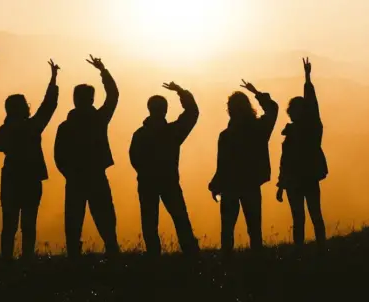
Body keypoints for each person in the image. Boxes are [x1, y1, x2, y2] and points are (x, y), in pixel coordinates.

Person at [0, 59, 60, 261]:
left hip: (11, 179)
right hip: (31, 180)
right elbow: (48, 106)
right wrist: (54, 79)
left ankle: (6, 261)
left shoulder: (3, 132)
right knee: (28, 224)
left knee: (9, 224)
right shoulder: (32, 127)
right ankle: (27, 260)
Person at [54, 55, 120, 257]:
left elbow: (59, 156)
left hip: (75, 178)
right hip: (95, 176)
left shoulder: (66, 126)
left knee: (73, 219)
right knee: (105, 217)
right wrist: (103, 70)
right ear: (91, 99)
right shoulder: (98, 119)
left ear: (75, 99)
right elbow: (113, 95)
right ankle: (112, 251)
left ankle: (74, 256)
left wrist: (69, 173)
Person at [129, 82, 201, 256]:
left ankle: (154, 256)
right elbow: (192, 113)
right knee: (180, 218)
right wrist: (181, 92)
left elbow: (134, 158)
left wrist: (145, 172)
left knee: (149, 221)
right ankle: (191, 253)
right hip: (169, 181)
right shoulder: (173, 132)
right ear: (165, 110)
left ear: (149, 109)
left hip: (147, 182)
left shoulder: (140, 134)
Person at [209, 79, 279, 255]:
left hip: (230, 186)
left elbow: (222, 164)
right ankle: (257, 263)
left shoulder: (226, 135)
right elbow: (273, 110)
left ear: (230, 111)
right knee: (254, 228)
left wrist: (215, 185)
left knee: (227, 230)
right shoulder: (259, 128)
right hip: (251, 184)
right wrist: (256, 92)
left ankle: (226, 263)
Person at [276, 57, 329, 249]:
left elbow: (312, 104)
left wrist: (307, 79)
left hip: (306, 178)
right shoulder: (293, 133)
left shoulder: (311, 127)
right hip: (296, 180)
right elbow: (284, 162)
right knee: (300, 218)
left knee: (313, 215)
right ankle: (305, 251)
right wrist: (281, 185)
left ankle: (318, 250)